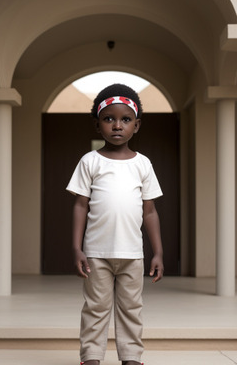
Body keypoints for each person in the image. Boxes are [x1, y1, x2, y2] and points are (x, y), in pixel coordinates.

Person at [66, 83, 164, 365]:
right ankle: (92, 357)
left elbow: (150, 212)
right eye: (109, 119)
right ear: (98, 125)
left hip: (132, 254)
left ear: (137, 124)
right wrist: (76, 248)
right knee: (96, 308)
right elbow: (80, 205)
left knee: (132, 309)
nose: (117, 125)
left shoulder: (143, 164)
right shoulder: (90, 161)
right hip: (96, 253)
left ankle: (132, 357)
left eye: (125, 119)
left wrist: (157, 252)